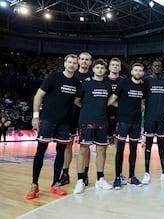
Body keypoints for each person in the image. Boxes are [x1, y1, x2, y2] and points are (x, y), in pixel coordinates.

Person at [25, 54, 79, 200]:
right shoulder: (54, 77)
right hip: (47, 120)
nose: (72, 65)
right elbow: (38, 96)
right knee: (40, 151)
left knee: (61, 153)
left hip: (65, 123)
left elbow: (78, 101)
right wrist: (36, 116)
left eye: (75, 63)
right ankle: (34, 185)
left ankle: (55, 184)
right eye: (70, 62)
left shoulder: (76, 82)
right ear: (65, 63)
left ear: (77, 65)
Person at [73, 59, 113, 194]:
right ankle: (80, 180)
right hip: (86, 121)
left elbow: (109, 101)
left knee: (102, 150)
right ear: (93, 69)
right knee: (83, 150)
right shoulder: (85, 84)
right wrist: (87, 109)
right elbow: (77, 100)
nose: (100, 69)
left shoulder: (108, 86)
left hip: (102, 121)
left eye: (102, 67)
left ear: (105, 70)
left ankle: (100, 179)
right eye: (98, 67)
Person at [107, 63, 146, 188]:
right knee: (120, 150)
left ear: (143, 73)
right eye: (136, 70)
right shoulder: (124, 83)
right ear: (132, 72)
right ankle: (117, 177)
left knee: (134, 150)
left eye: (141, 70)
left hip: (136, 122)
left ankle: (132, 176)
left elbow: (141, 102)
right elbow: (112, 99)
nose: (138, 72)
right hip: (123, 121)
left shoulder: (143, 86)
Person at [59, 52, 93, 186]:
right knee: (68, 144)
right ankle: (65, 174)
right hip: (71, 114)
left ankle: (84, 174)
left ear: (91, 62)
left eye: (87, 60)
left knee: (86, 146)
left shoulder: (94, 76)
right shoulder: (72, 74)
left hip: (87, 115)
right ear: (78, 61)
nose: (84, 61)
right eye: (82, 59)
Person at [141, 60, 164, 184]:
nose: (157, 67)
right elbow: (142, 99)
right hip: (149, 118)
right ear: (151, 68)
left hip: (161, 119)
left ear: (162, 68)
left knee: (161, 146)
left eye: (159, 66)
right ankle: (146, 173)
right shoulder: (146, 81)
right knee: (148, 146)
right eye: (155, 65)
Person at [105, 58, 123, 146]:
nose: (115, 67)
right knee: (103, 145)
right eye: (113, 65)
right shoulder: (103, 80)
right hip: (104, 113)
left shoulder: (124, 81)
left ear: (120, 68)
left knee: (117, 142)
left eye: (117, 65)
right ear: (109, 67)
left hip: (119, 113)